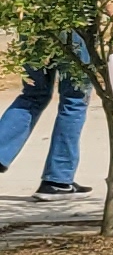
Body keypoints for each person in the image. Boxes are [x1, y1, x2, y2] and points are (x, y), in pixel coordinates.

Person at [1, 33, 95, 198]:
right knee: (75, 99)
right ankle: (58, 180)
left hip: (33, 27)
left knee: (33, 95)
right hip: (74, 30)